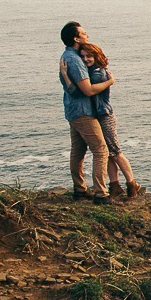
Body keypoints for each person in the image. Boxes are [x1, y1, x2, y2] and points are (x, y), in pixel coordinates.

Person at [76, 41, 143, 198]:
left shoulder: (98, 74)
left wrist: (67, 76)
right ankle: (115, 186)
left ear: (96, 56)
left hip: (105, 116)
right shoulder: (92, 71)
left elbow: (88, 91)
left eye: (89, 56)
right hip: (98, 116)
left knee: (116, 152)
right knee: (108, 153)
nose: (86, 59)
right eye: (83, 57)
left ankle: (132, 185)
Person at [58, 21, 113, 203]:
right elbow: (88, 90)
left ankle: (80, 189)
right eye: (83, 33)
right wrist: (109, 82)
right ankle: (101, 194)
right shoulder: (75, 60)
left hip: (72, 110)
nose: (87, 35)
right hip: (83, 112)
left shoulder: (68, 56)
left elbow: (72, 88)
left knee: (78, 151)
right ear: (76, 38)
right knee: (101, 150)